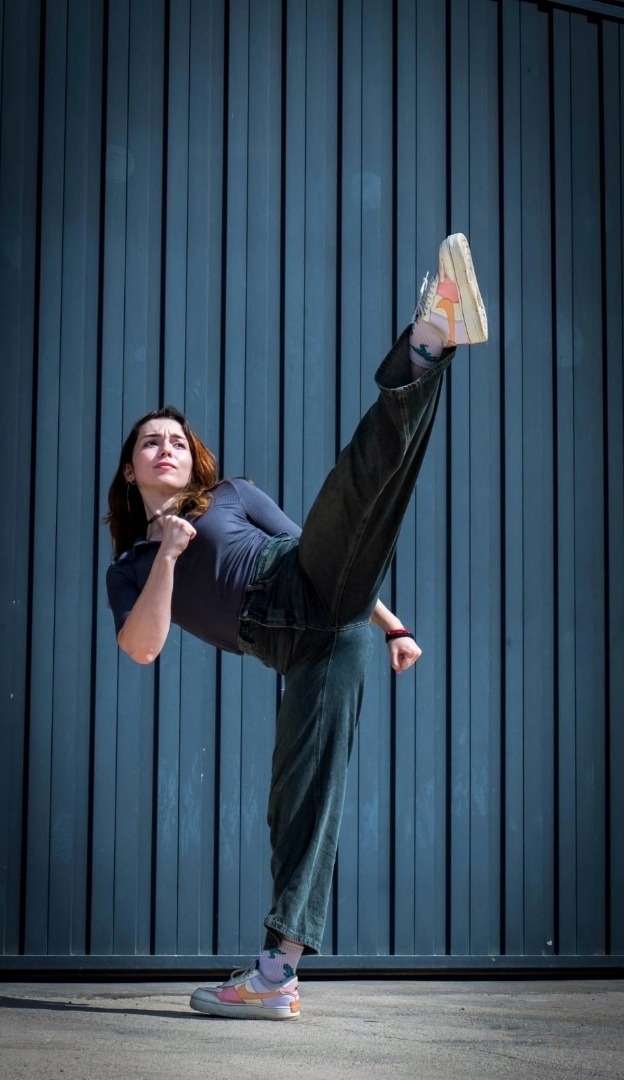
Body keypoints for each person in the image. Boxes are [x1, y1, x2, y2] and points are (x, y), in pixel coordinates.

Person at [105, 233, 488, 1021]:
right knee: (299, 803)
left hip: (301, 579)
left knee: (362, 490)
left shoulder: (233, 495)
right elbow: (142, 648)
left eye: (176, 441)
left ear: (196, 460)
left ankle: (428, 343)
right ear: (130, 469)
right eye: (150, 442)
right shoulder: (132, 568)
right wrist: (168, 553)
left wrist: (395, 626)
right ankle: (276, 975)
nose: (165, 448)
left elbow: (325, 541)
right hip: (300, 644)